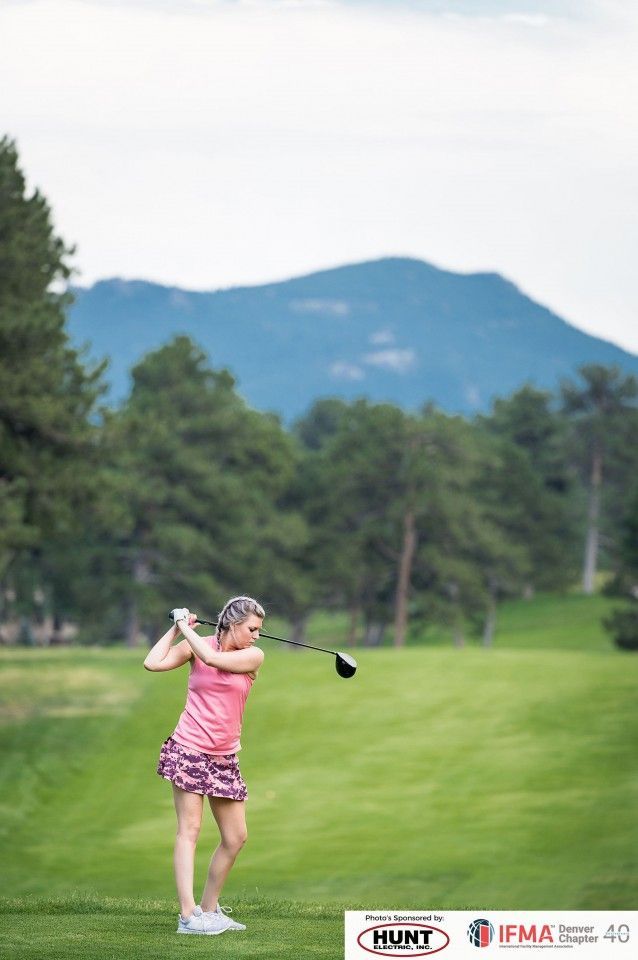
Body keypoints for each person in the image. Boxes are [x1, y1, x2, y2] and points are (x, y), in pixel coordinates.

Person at [144, 595, 265, 936]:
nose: (257, 635)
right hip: (189, 748)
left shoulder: (252, 656)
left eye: (258, 630)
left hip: (225, 756)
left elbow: (211, 657)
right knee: (190, 830)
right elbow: (152, 663)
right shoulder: (197, 645)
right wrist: (175, 630)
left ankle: (209, 910)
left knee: (236, 837)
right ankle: (188, 916)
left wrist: (184, 626)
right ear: (232, 624)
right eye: (252, 629)